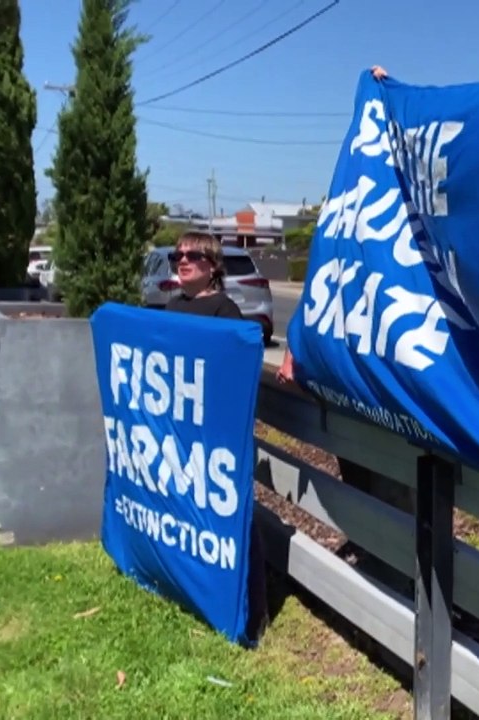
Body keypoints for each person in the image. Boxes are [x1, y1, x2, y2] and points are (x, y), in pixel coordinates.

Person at [163, 231, 271, 641]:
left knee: (232, 518)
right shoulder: (172, 307)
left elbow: (239, 365)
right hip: (178, 432)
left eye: (192, 255)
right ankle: (191, 588)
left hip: (215, 439)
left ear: (212, 265)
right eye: (178, 255)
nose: (182, 261)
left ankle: (252, 612)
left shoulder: (225, 311)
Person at [277, 64, 390, 387]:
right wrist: (291, 354)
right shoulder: (334, 236)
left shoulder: (393, 253)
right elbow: (314, 306)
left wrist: (389, 98)